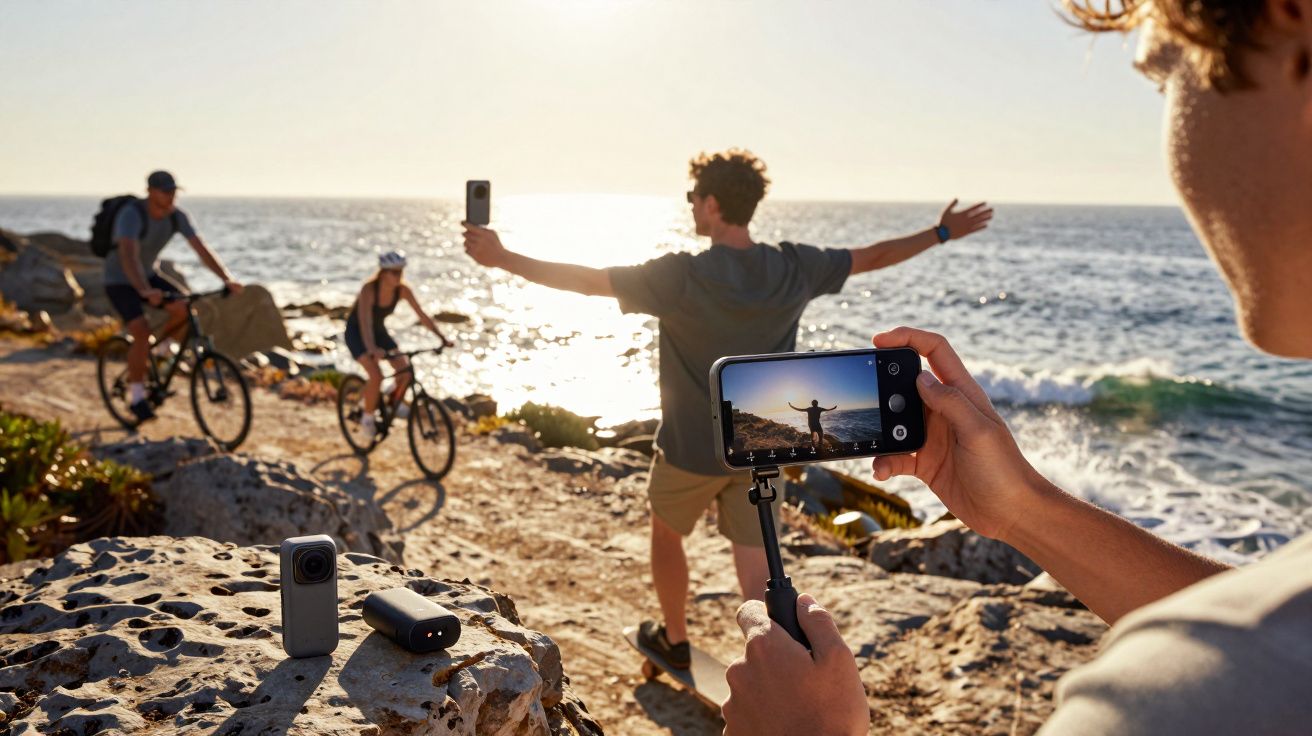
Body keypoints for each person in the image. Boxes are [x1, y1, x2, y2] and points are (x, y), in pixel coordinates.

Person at [720, 1, 1312, 733]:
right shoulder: (1263, 648)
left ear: (1293, 26)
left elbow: (1266, 649)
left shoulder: (1164, 702)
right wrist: (1021, 507)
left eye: (1164, 79)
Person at [464, 150, 993, 668]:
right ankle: (770, 658)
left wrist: (502, 257)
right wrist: (940, 233)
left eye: (694, 197)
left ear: (713, 204)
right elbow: (872, 256)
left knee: (667, 535)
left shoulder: (680, 276)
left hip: (688, 450)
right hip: (761, 451)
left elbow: (587, 281)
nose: (691, 205)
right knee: (757, 560)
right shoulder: (793, 267)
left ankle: (674, 637)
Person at [104, 170, 243, 422]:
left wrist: (226, 279)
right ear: (150, 192)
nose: (170, 197)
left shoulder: (177, 217)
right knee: (141, 332)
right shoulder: (131, 215)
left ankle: (161, 352)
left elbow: (200, 248)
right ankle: (136, 396)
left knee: (184, 309)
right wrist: (144, 290)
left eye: (173, 192)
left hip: (148, 274)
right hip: (120, 280)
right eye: (165, 192)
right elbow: (128, 254)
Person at [344, 251, 453, 442]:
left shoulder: (403, 290)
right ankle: (367, 419)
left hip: (378, 332)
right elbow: (365, 322)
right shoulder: (369, 290)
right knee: (376, 376)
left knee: (405, 372)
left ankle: (390, 399)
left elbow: (422, 316)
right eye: (394, 272)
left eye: (400, 272)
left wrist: (442, 337)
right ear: (383, 273)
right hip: (357, 333)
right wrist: (371, 349)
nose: (398, 276)